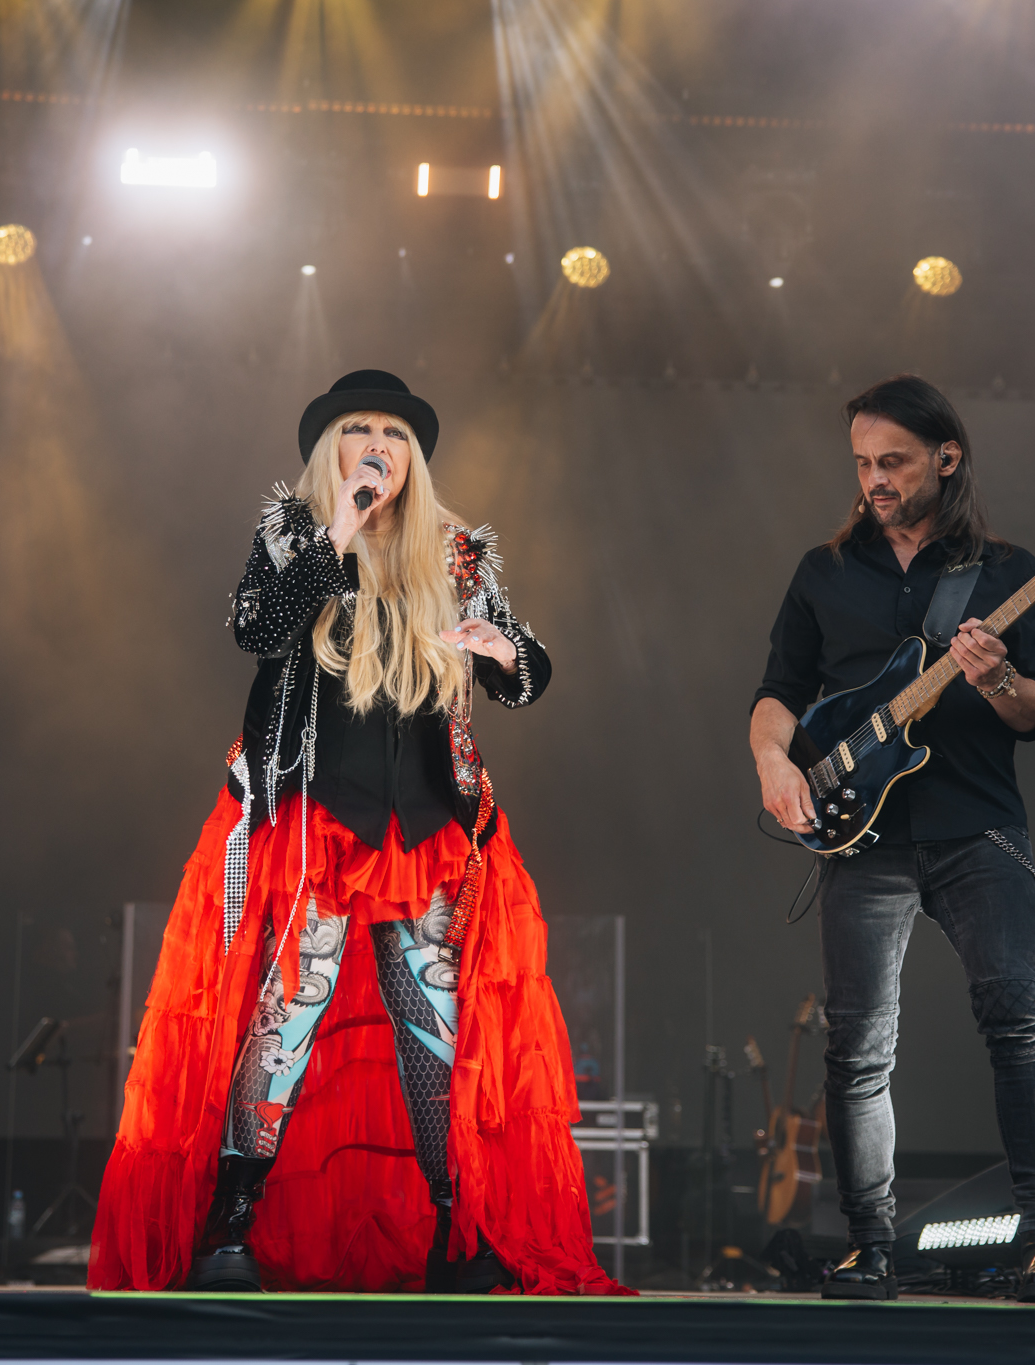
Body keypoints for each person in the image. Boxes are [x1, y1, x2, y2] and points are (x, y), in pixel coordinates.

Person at [89, 370, 624, 1297]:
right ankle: (233, 1221)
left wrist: (505, 652)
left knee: (436, 1027)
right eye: (359, 429)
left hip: (425, 826)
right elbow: (257, 628)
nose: (378, 444)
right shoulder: (292, 536)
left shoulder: (454, 553)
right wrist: (336, 530)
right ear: (330, 451)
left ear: (414, 457)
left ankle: (456, 1223)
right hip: (317, 819)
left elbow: (528, 675)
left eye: (394, 433)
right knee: (288, 1014)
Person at [749, 373, 1035, 1303]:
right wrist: (773, 763)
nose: (874, 479)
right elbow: (778, 692)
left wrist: (997, 679)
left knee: (1020, 1025)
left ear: (947, 457)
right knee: (857, 1048)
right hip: (862, 834)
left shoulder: (1008, 571)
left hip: (978, 825)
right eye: (862, 462)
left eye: (893, 461)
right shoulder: (825, 571)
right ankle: (870, 1246)